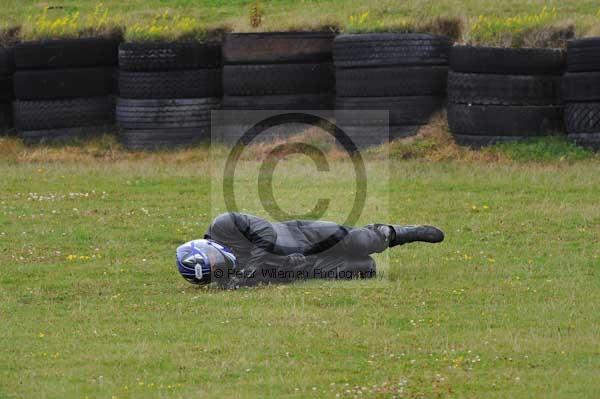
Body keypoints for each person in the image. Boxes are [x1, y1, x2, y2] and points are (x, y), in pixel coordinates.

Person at [176, 212, 444, 289]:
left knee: (364, 242)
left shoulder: (224, 225)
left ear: (206, 246)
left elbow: (266, 233)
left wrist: (257, 265)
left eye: (211, 260)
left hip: (305, 232)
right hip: (305, 265)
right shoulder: (229, 282)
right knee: (365, 269)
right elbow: (267, 279)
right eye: (213, 271)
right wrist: (285, 268)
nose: (217, 265)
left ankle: (402, 232)